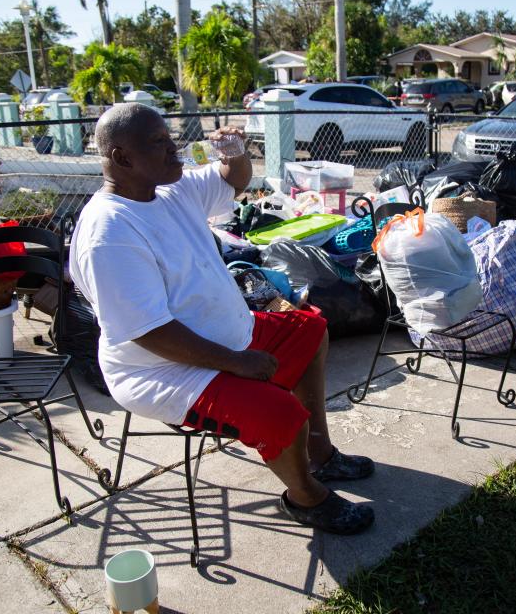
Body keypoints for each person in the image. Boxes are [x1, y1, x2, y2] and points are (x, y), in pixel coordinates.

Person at [69, 103, 375, 535]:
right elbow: (148, 332)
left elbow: (233, 179)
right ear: (122, 158)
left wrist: (235, 153)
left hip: (230, 336)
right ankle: (305, 497)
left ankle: (319, 453)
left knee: (312, 330)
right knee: (281, 413)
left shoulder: (167, 189)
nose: (174, 148)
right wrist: (238, 363)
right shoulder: (110, 233)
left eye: (170, 137)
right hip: (164, 369)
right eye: (159, 142)